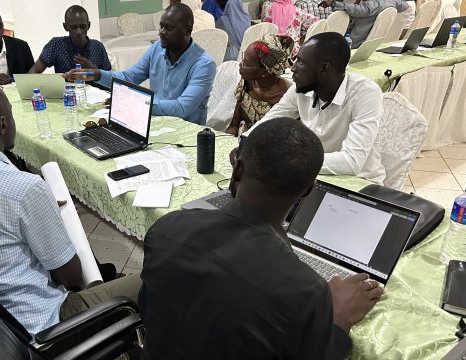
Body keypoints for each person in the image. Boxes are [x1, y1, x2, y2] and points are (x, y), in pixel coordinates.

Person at [139, 117, 384, 359]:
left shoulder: (166, 228)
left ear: (237, 170)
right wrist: (340, 319)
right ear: (309, 190)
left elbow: (151, 308)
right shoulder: (305, 291)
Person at [0, 78, 142, 336]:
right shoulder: (25, 188)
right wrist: (53, 219)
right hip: (45, 320)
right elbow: (70, 278)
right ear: (2, 123)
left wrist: (37, 212)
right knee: (159, 279)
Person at [242, 32, 386, 184]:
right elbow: (269, 123)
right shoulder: (301, 88)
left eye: (301, 62)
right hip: (313, 176)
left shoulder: (365, 93)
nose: (293, 68)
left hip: (361, 184)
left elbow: (351, 162)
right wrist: (245, 144)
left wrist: (287, 160)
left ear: (324, 68)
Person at [64, 3, 217, 125]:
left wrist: (135, 104)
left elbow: (182, 108)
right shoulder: (157, 49)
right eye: (161, 26)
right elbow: (129, 77)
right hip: (156, 124)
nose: (161, 32)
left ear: (187, 30)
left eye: (168, 28)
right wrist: (96, 74)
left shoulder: (204, 64)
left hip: (188, 133)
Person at [226, 34, 294, 135]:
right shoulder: (247, 83)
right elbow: (234, 125)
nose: (240, 65)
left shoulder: (287, 95)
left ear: (263, 72)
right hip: (243, 140)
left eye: (245, 63)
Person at [29, 5, 111, 74]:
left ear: (88, 25)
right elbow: (33, 73)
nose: (79, 32)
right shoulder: (56, 45)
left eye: (83, 27)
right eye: (73, 27)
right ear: (65, 27)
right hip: (66, 92)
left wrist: (91, 69)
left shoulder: (97, 47)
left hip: (94, 92)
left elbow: (109, 79)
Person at [319, 0, 409, 48]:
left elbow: (358, 10)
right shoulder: (390, 2)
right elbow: (405, 5)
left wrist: (333, 3)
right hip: (374, 41)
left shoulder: (371, 6)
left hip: (356, 42)